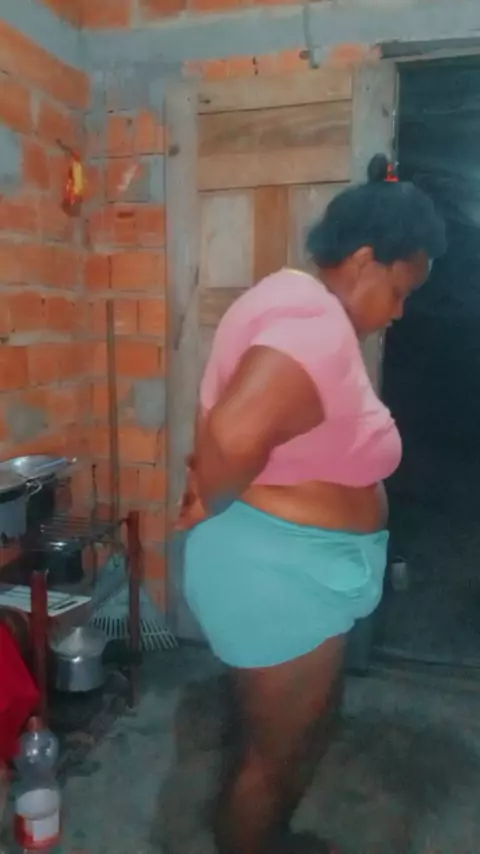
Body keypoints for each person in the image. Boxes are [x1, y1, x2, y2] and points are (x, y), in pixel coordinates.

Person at [176, 154, 446, 854]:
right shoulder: (314, 327)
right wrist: (212, 494)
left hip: (291, 573)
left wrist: (216, 488)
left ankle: (273, 837)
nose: (399, 312)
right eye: (398, 290)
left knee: (294, 738)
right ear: (362, 261)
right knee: (270, 762)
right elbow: (230, 438)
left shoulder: (293, 302)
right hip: (279, 578)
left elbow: (246, 438)